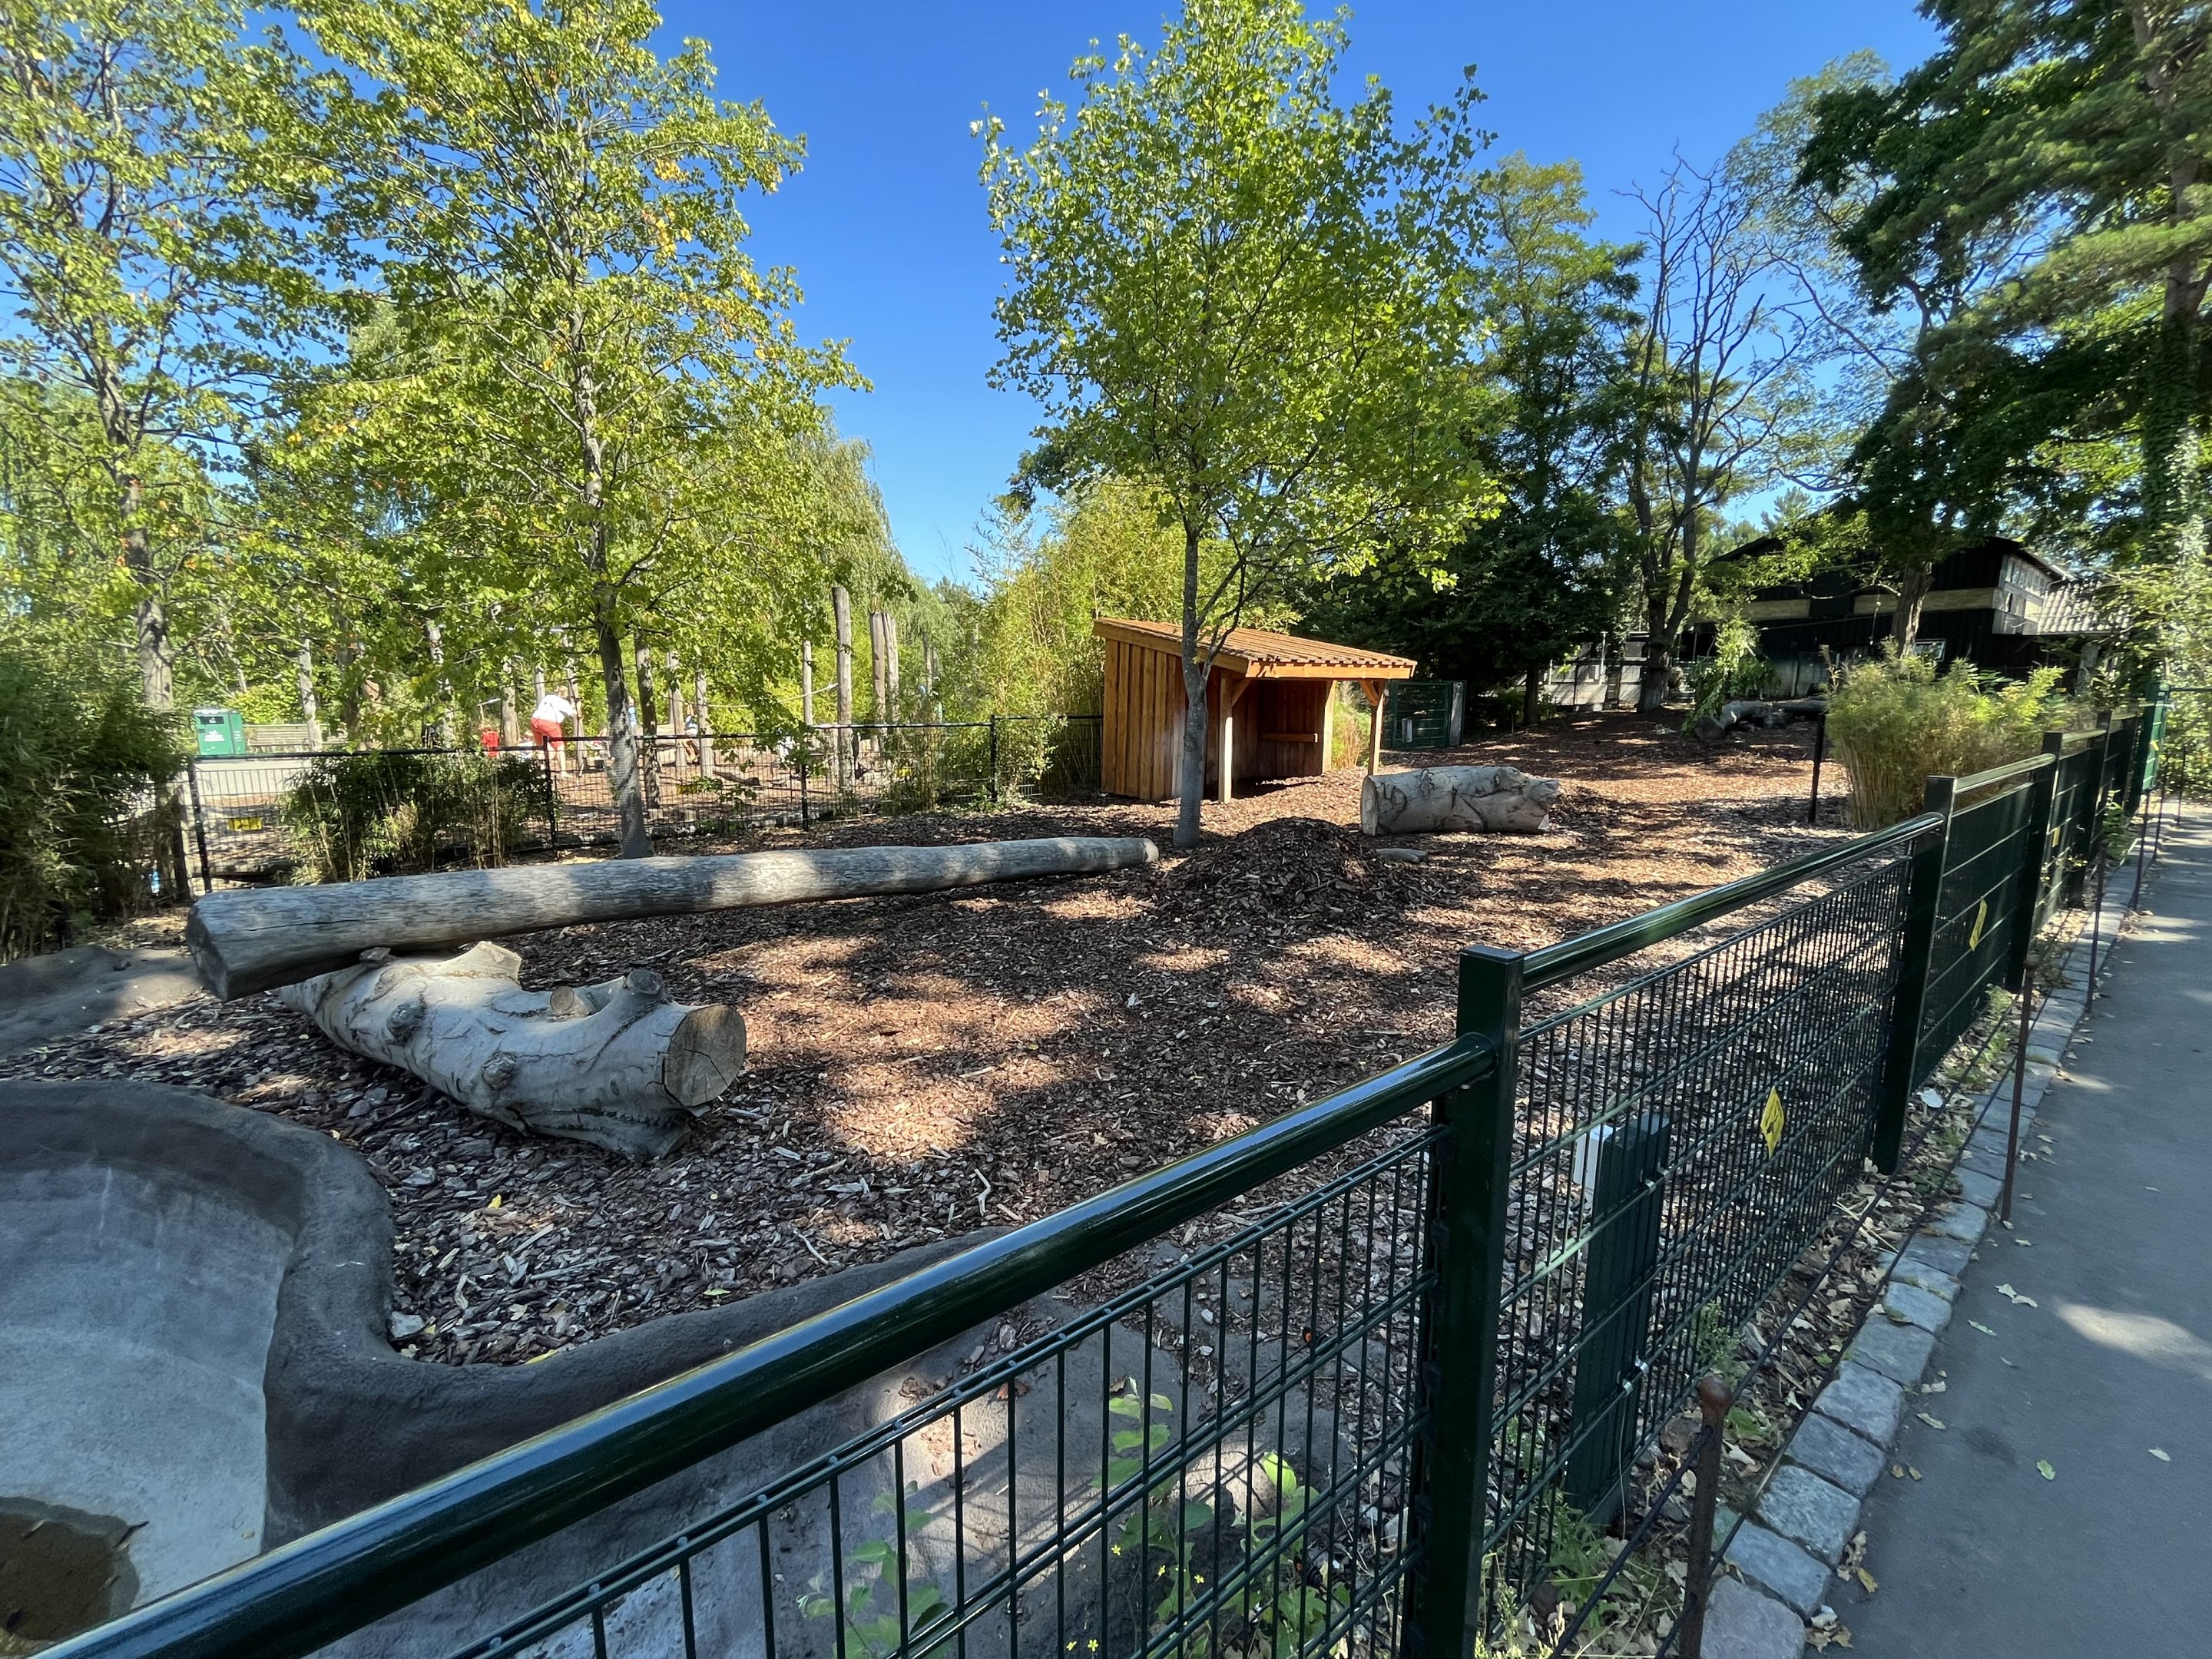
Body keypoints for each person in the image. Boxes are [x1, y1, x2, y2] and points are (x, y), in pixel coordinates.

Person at [530, 688, 578, 772]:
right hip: (549, 723)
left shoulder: (548, 697)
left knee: (542, 747)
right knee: (560, 747)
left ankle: (541, 769)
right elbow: (574, 713)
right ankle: (563, 772)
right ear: (565, 694)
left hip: (535, 721)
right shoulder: (563, 702)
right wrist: (576, 704)